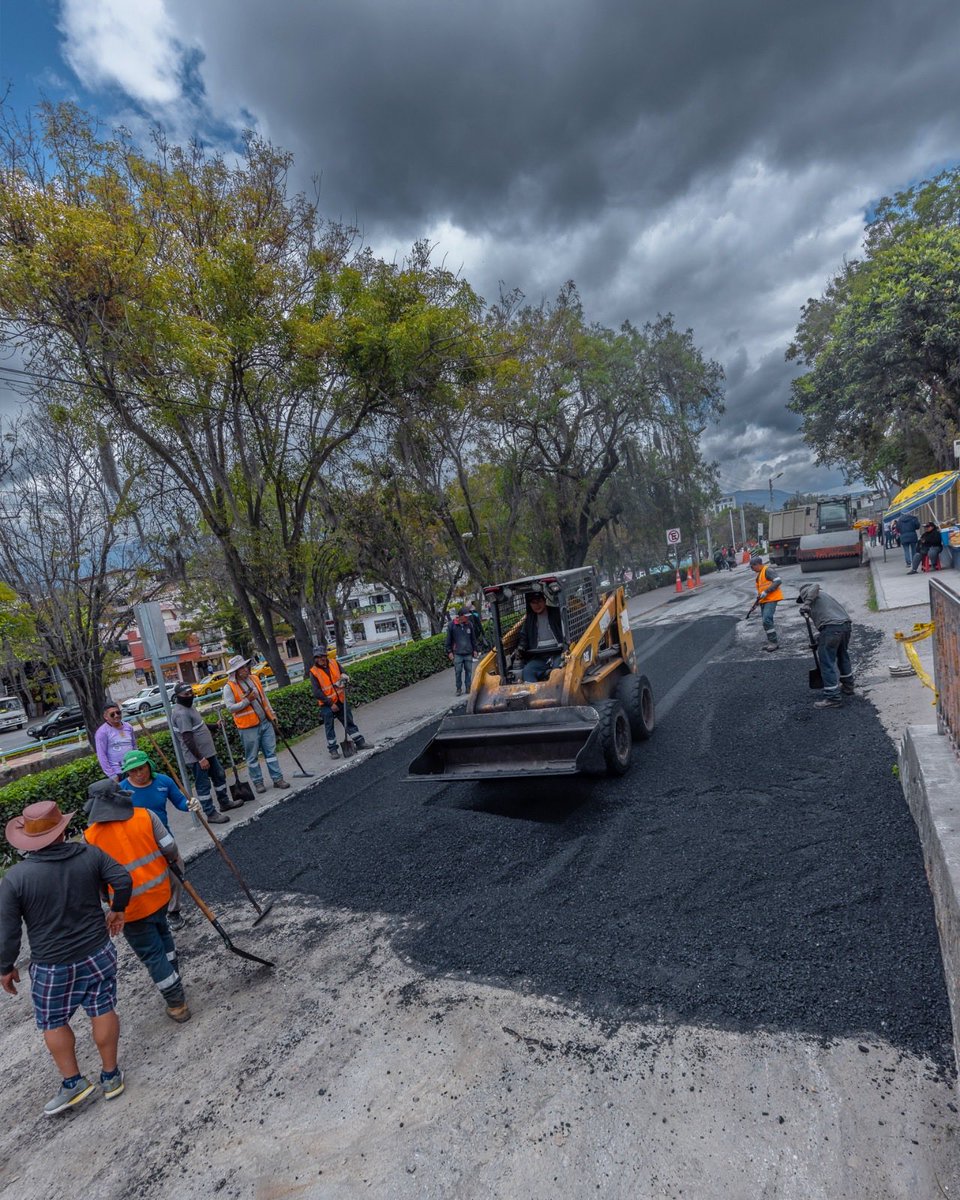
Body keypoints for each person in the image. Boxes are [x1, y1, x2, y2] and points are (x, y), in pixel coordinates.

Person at [0, 799, 130, 1115]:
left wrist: (5, 967)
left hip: (51, 965)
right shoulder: (90, 854)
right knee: (103, 1008)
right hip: (97, 951)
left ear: (28, 840)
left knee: (53, 1022)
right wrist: (117, 909)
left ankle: (73, 1083)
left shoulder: (15, 879)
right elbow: (123, 880)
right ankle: (111, 1077)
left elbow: (8, 931)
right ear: (62, 830)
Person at [84, 780, 191, 1024]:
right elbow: (170, 848)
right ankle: (173, 975)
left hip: (128, 908)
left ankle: (177, 1003)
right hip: (160, 894)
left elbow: (97, 880)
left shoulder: (90, 837)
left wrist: (108, 903)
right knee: (164, 935)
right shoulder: (145, 816)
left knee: (152, 954)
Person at [121, 748, 191, 929]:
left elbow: (180, 802)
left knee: (176, 873)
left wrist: (190, 804)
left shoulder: (163, 781)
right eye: (133, 771)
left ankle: (173, 911)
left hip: (163, 837)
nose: (138, 774)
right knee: (147, 880)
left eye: (141, 769)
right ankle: (153, 914)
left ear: (149, 766)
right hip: (138, 844)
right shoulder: (122, 790)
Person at [170, 682, 241, 819]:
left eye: (191, 693)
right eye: (186, 694)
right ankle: (210, 813)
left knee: (219, 776)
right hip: (198, 758)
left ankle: (224, 802)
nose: (190, 696)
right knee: (203, 786)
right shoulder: (181, 713)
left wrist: (215, 726)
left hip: (208, 753)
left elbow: (198, 726)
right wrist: (200, 758)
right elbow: (188, 739)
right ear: (177, 696)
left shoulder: (189, 707)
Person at [221, 655, 289, 793]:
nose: (246, 669)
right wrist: (247, 701)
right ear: (236, 671)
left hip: (265, 722)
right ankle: (258, 782)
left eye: (246, 666)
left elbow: (264, 698)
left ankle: (277, 779)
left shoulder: (255, 679)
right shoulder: (229, 687)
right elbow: (230, 708)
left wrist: (272, 713)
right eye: (242, 668)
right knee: (252, 757)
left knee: (271, 753)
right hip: (248, 728)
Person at [796, 583, 854, 709]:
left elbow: (815, 585)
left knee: (826, 663)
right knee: (842, 655)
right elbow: (828, 626)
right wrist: (818, 639)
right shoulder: (825, 598)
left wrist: (806, 603)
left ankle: (833, 697)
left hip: (833, 629)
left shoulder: (812, 592)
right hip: (845, 627)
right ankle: (848, 686)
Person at [309, 645, 368, 759]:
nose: (320, 659)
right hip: (327, 705)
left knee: (349, 722)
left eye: (322, 656)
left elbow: (343, 673)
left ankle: (360, 742)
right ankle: (333, 750)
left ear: (326, 656)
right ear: (315, 658)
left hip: (341, 699)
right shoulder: (314, 672)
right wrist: (331, 704)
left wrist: (345, 678)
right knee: (329, 727)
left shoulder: (334, 663)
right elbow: (317, 692)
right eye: (318, 657)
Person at [516, 589, 564, 683]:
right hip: (540, 656)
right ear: (530, 604)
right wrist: (521, 647)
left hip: (558, 653)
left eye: (539, 601)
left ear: (544, 600)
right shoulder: (530, 619)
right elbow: (524, 636)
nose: (537, 605)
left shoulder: (556, 613)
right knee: (528, 671)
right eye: (533, 602)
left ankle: (556, 690)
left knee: (557, 672)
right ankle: (533, 694)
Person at [94, 702, 137, 782]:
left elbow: (134, 746)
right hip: (119, 772)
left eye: (118, 712)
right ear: (106, 717)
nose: (116, 715)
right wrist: (112, 775)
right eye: (112, 714)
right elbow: (101, 755)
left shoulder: (128, 727)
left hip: (133, 767)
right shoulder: (102, 732)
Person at [749, 555, 783, 651]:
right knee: (766, 622)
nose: (752, 569)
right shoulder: (759, 574)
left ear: (758, 564)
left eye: (752, 567)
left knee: (766, 620)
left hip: (771, 599)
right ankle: (771, 642)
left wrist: (766, 591)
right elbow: (761, 591)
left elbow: (778, 581)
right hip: (765, 600)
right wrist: (756, 603)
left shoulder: (767, 570)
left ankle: (773, 643)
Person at [445, 608, 479, 696]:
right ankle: (458, 688)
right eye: (465, 616)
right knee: (458, 671)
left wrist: (475, 650)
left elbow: (473, 639)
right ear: (460, 616)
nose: (467, 618)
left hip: (468, 652)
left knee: (469, 671)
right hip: (457, 653)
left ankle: (468, 687)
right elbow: (448, 640)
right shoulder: (451, 625)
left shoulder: (469, 624)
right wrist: (449, 652)